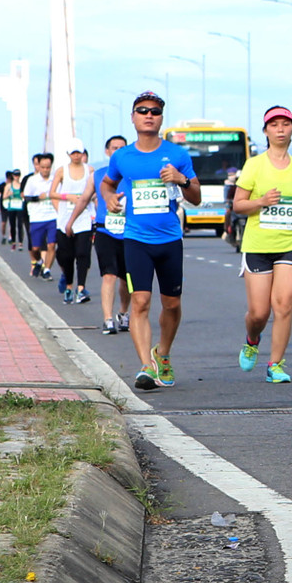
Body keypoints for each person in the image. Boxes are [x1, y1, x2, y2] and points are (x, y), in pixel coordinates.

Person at [101, 91, 200, 389]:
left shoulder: (178, 155)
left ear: (161, 118)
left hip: (169, 239)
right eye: (142, 110)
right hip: (135, 239)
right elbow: (107, 184)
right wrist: (109, 200)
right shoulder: (122, 157)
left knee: (171, 304)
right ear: (133, 118)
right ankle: (146, 366)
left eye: (154, 111)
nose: (148, 115)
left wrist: (181, 180)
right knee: (140, 302)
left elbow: (195, 198)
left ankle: (163, 354)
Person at [233, 106, 292, 384]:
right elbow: (238, 204)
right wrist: (261, 202)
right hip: (257, 245)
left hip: (290, 243)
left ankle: (275, 364)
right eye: (274, 125)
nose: (280, 129)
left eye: (285, 124)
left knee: (284, 305)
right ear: (266, 131)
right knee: (259, 312)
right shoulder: (254, 165)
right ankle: (252, 338)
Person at [66, 134, 131, 334]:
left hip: (130, 232)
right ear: (107, 151)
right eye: (114, 147)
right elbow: (84, 199)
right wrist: (70, 222)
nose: (117, 151)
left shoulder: (132, 175)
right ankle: (108, 319)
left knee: (127, 278)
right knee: (109, 274)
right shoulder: (98, 175)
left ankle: (123, 312)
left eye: (122, 147)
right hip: (105, 230)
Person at [51, 138, 95, 304]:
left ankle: (81, 288)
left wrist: (88, 198)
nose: (76, 156)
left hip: (84, 217)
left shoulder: (89, 170)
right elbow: (52, 193)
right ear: (68, 154)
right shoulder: (62, 171)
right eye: (73, 152)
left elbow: (96, 190)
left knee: (83, 253)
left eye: (79, 152)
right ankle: (69, 286)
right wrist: (68, 196)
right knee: (66, 256)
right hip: (64, 218)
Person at [23, 153, 58, 281]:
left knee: (52, 245)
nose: (45, 170)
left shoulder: (55, 180)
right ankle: (38, 261)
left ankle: (47, 269)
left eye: (48, 167)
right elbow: (26, 197)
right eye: (43, 167)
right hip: (37, 217)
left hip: (52, 216)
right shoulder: (32, 180)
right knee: (35, 248)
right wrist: (38, 198)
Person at [2, 170, 25, 250]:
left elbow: (24, 195)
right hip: (12, 207)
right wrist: (9, 194)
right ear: (13, 176)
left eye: (18, 175)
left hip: (20, 207)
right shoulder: (9, 186)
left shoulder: (22, 185)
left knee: (20, 225)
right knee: (12, 225)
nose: (16, 176)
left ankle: (21, 243)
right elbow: (4, 196)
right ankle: (14, 242)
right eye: (15, 175)